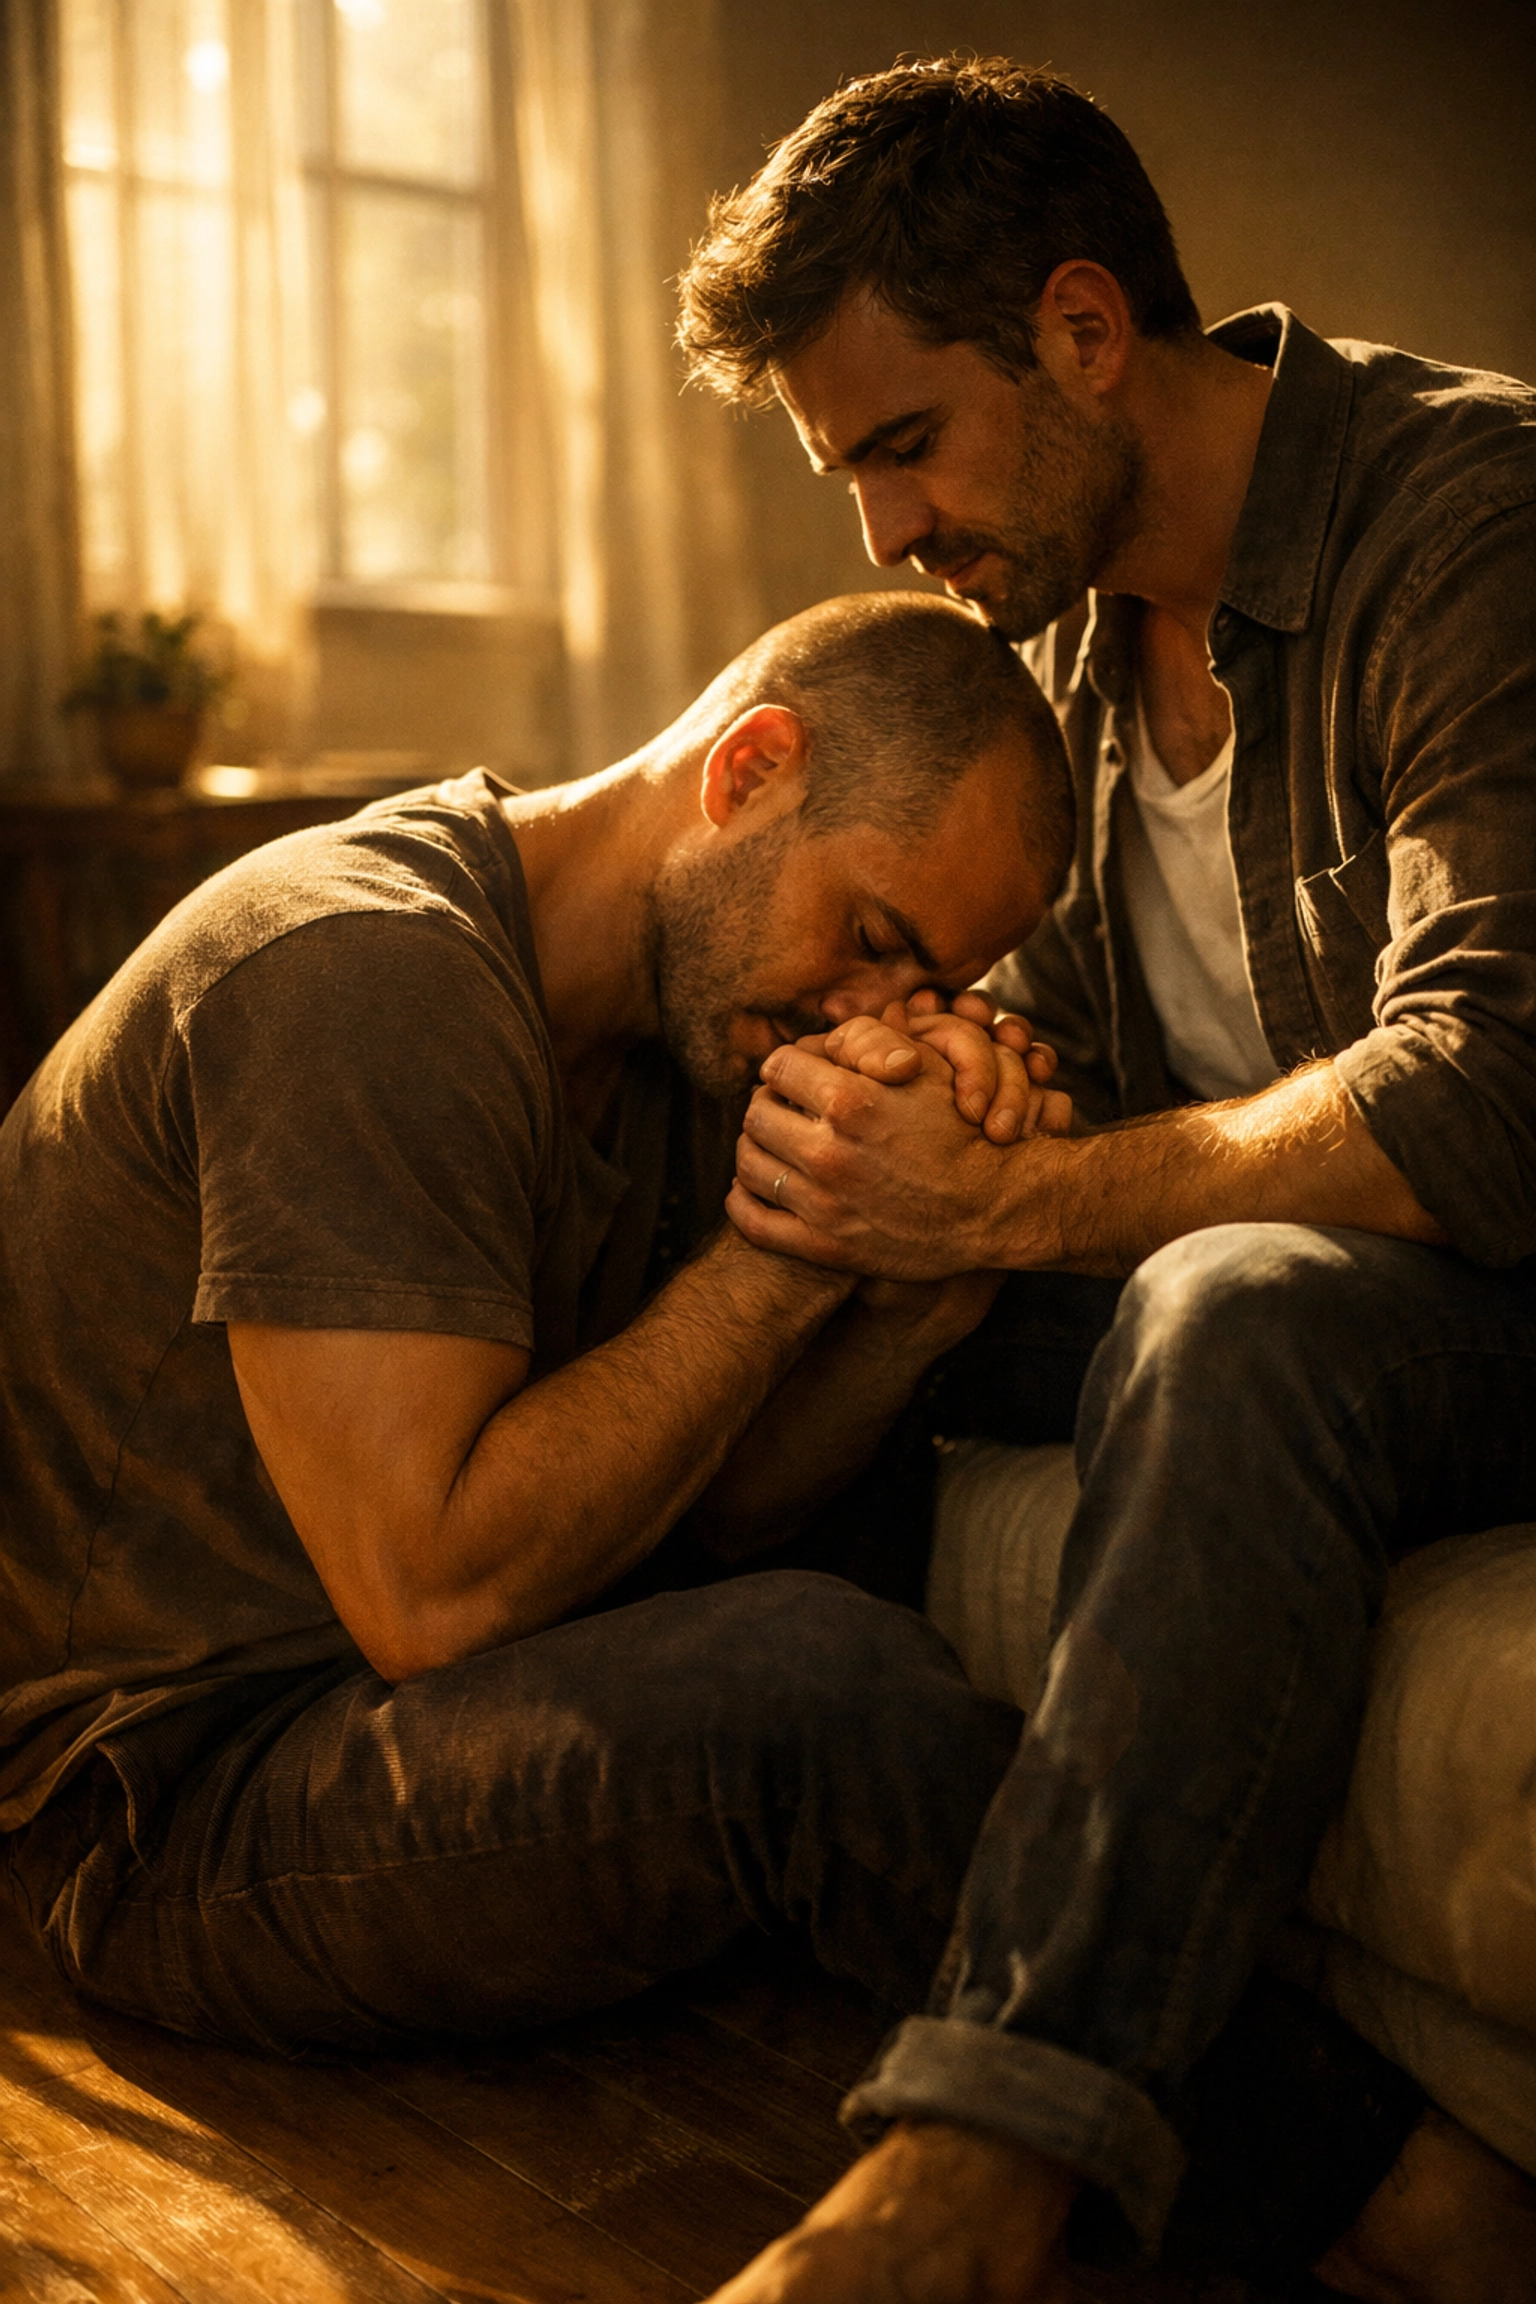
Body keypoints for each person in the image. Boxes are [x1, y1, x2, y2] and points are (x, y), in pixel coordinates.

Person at [677, 53, 1536, 2304]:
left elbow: (1494, 1092)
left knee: (1226, 1301)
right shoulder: (1046, 645)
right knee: (798, 1232)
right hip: (1269, 1282)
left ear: (1078, 330)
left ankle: (982, 2157)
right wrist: (933, 1094)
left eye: (899, 444)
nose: (878, 533)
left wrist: (1016, 1204)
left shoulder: (1472, 522)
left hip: (1491, 1276)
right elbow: (1066, 1056)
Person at [0, 593, 1075, 2064]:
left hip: (400, 1697)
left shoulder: (702, 1020)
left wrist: (910, 1281)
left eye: (928, 988)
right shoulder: (361, 967)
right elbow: (429, 1598)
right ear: (751, 769)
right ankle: (1397, 2198)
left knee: (997, 1336)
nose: (866, 1017)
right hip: (160, 1807)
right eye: (871, 936)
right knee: (813, 1687)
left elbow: (723, 1499)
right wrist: (798, 1235)